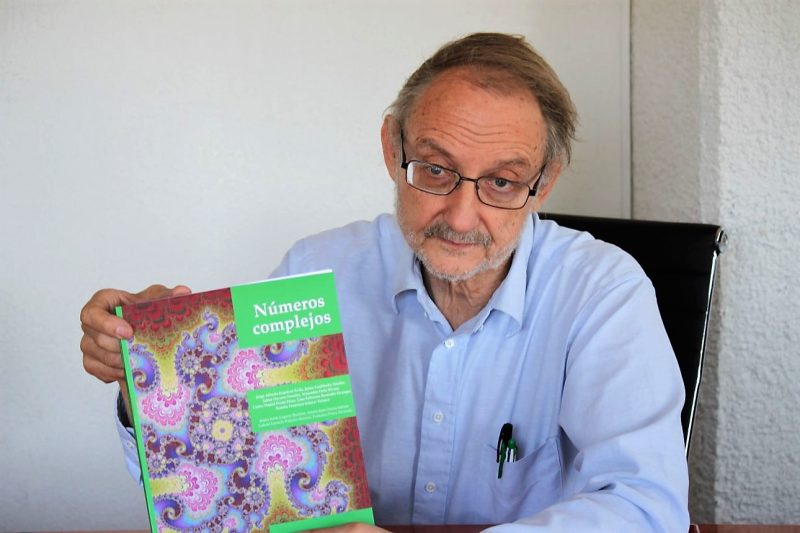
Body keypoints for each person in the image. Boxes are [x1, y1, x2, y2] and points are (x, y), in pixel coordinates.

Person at [80, 33, 689, 531]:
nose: (460, 217)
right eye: (436, 169)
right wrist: (151, 374)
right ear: (391, 147)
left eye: (502, 182)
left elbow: (647, 507)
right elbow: (230, 483)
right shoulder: (314, 270)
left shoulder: (603, 292)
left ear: (544, 181)